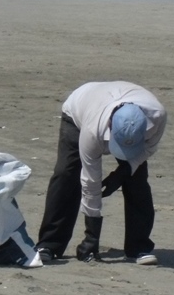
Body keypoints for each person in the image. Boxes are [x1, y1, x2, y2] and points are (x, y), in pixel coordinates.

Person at [34, 81, 167, 266]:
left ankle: (139, 247)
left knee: (137, 180)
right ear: (110, 126)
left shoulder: (157, 116)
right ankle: (49, 245)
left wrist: (124, 171)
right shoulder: (92, 130)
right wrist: (92, 237)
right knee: (66, 174)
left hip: (117, 99)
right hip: (79, 109)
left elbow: (149, 149)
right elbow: (90, 181)